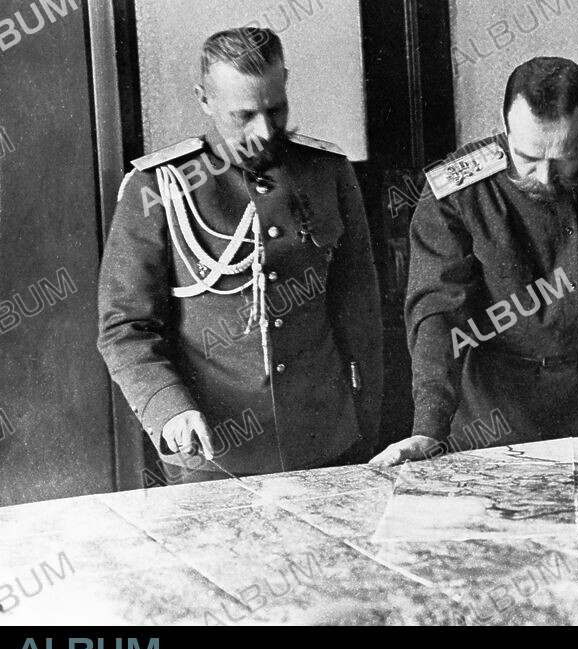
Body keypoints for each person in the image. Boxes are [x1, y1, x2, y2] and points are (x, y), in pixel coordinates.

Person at [371, 56, 578, 466]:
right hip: (494, 416)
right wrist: (428, 426)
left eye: (566, 156)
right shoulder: (457, 195)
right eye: (528, 157)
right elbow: (437, 315)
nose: (546, 178)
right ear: (505, 124)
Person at [98, 27, 382, 482]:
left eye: (276, 110)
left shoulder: (329, 173)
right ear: (204, 99)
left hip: (326, 445)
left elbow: (360, 312)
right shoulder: (158, 187)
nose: (264, 132)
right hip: (215, 457)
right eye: (243, 115)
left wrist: (365, 424)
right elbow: (124, 327)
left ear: (285, 81)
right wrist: (169, 410)